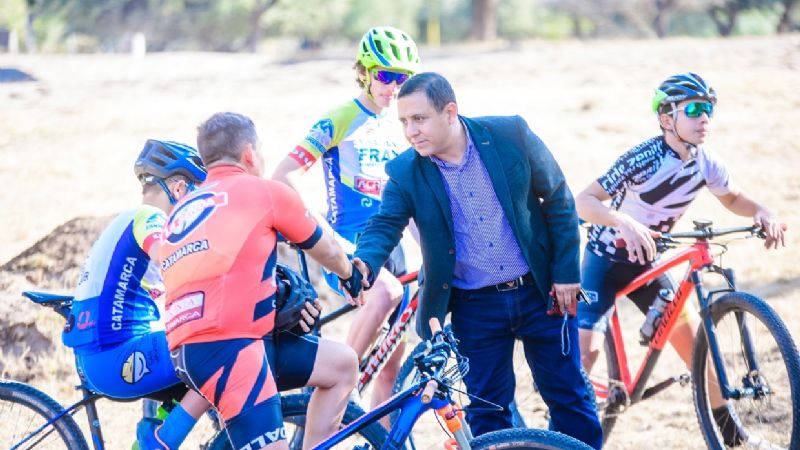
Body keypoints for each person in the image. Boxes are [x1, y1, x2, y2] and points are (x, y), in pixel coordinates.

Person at [349, 72, 603, 449]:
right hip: (474, 306)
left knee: (569, 400)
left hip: (542, 292)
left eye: (419, 119)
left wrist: (566, 272)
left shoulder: (509, 135)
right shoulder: (405, 171)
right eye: (403, 121)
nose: (410, 131)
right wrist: (364, 263)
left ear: (450, 112)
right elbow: (385, 223)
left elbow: (559, 200)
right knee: (488, 412)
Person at [575, 72, 786, 447]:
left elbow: (734, 198)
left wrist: (763, 211)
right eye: (694, 109)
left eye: (709, 109)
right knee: (586, 353)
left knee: (700, 358)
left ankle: (735, 438)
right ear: (666, 118)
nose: (705, 117)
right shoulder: (643, 158)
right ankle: (563, 434)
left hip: (648, 263)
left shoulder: (706, 162)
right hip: (604, 261)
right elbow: (584, 202)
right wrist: (623, 222)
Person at [161, 112, 364, 449]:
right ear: (249, 154)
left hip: (192, 348)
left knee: (343, 365)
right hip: (233, 347)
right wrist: (350, 274)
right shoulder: (263, 191)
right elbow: (325, 247)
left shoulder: (184, 209)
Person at [271, 25, 421, 410]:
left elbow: (414, 198)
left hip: (397, 245)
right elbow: (283, 176)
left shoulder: (406, 124)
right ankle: (338, 382)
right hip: (349, 243)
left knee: (390, 368)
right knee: (386, 292)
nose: (393, 86)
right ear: (365, 72)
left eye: (403, 79)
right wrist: (315, 231)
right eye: (386, 76)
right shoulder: (341, 118)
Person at [61, 139, 210, 450]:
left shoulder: (128, 218)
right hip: (114, 356)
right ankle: (155, 443)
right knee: (217, 355)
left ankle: (148, 437)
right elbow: (167, 255)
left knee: (183, 343)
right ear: (179, 187)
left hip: (106, 354)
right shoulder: (150, 217)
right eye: (197, 194)